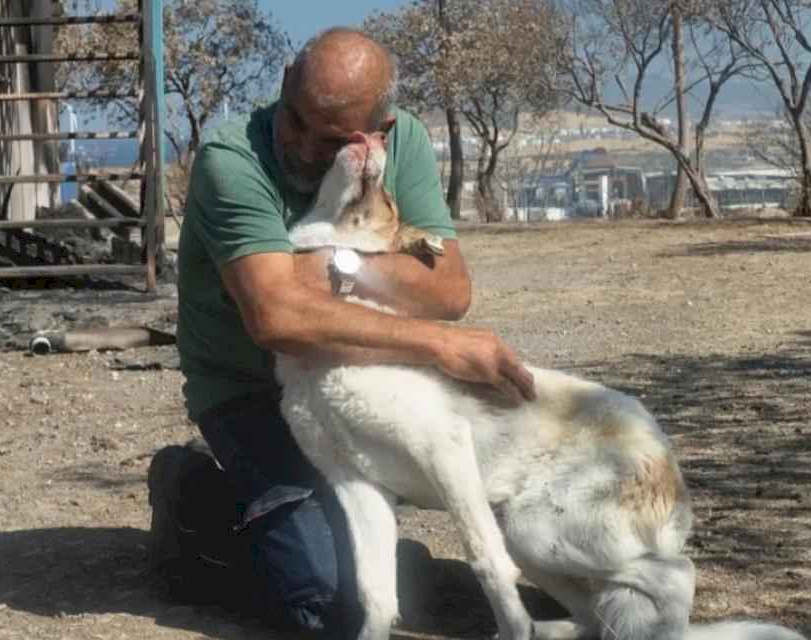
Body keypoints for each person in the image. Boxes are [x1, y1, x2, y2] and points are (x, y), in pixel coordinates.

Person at [147, 27, 535, 636]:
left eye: (329, 139)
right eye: (294, 118)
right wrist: (438, 342)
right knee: (330, 602)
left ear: (375, 134)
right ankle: (194, 501)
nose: (299, 146)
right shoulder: (233, 158)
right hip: (252, 393)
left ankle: (308, 527)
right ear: (283, 87)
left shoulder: (401, 144)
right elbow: (278, 318)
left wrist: (338, 268)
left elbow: (449, 286)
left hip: (351, 372)